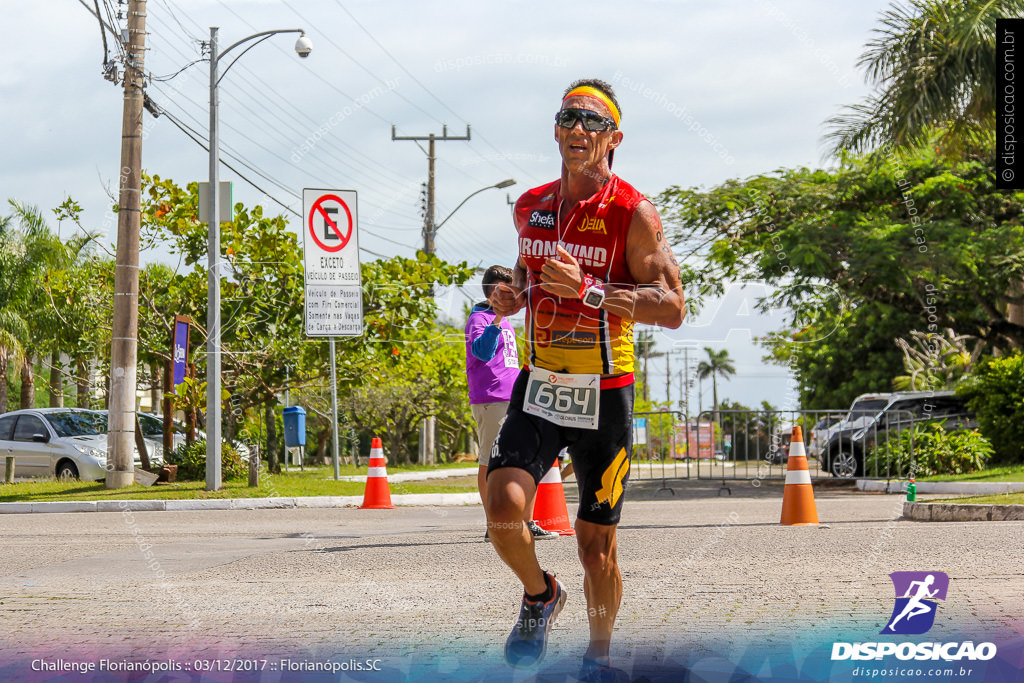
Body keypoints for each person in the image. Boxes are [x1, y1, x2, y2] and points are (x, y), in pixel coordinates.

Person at [486, 78, 685, 679]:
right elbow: (526, 274)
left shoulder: (632, 211)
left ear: (613, 138)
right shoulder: (531, 206)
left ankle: (598, 658)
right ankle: (541, 595)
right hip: (541, 383)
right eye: (569, 118)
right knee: (502, 508)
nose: (579, 130)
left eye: (593, 123)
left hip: (605, 392)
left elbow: (673, 306)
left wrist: (594, 291)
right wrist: (511, 295)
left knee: (595, 548)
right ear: (555, 129)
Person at [465, 265, 557, 542]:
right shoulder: (479, 319)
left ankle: (526, 523)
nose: (513, 296)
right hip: (491, 400)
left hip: (515, 396)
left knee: (527, 459)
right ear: (495, 292)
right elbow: (481, 352)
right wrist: (496, 321)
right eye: (508, 291)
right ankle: (494, 524)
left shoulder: (502, 320)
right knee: (489, 461)